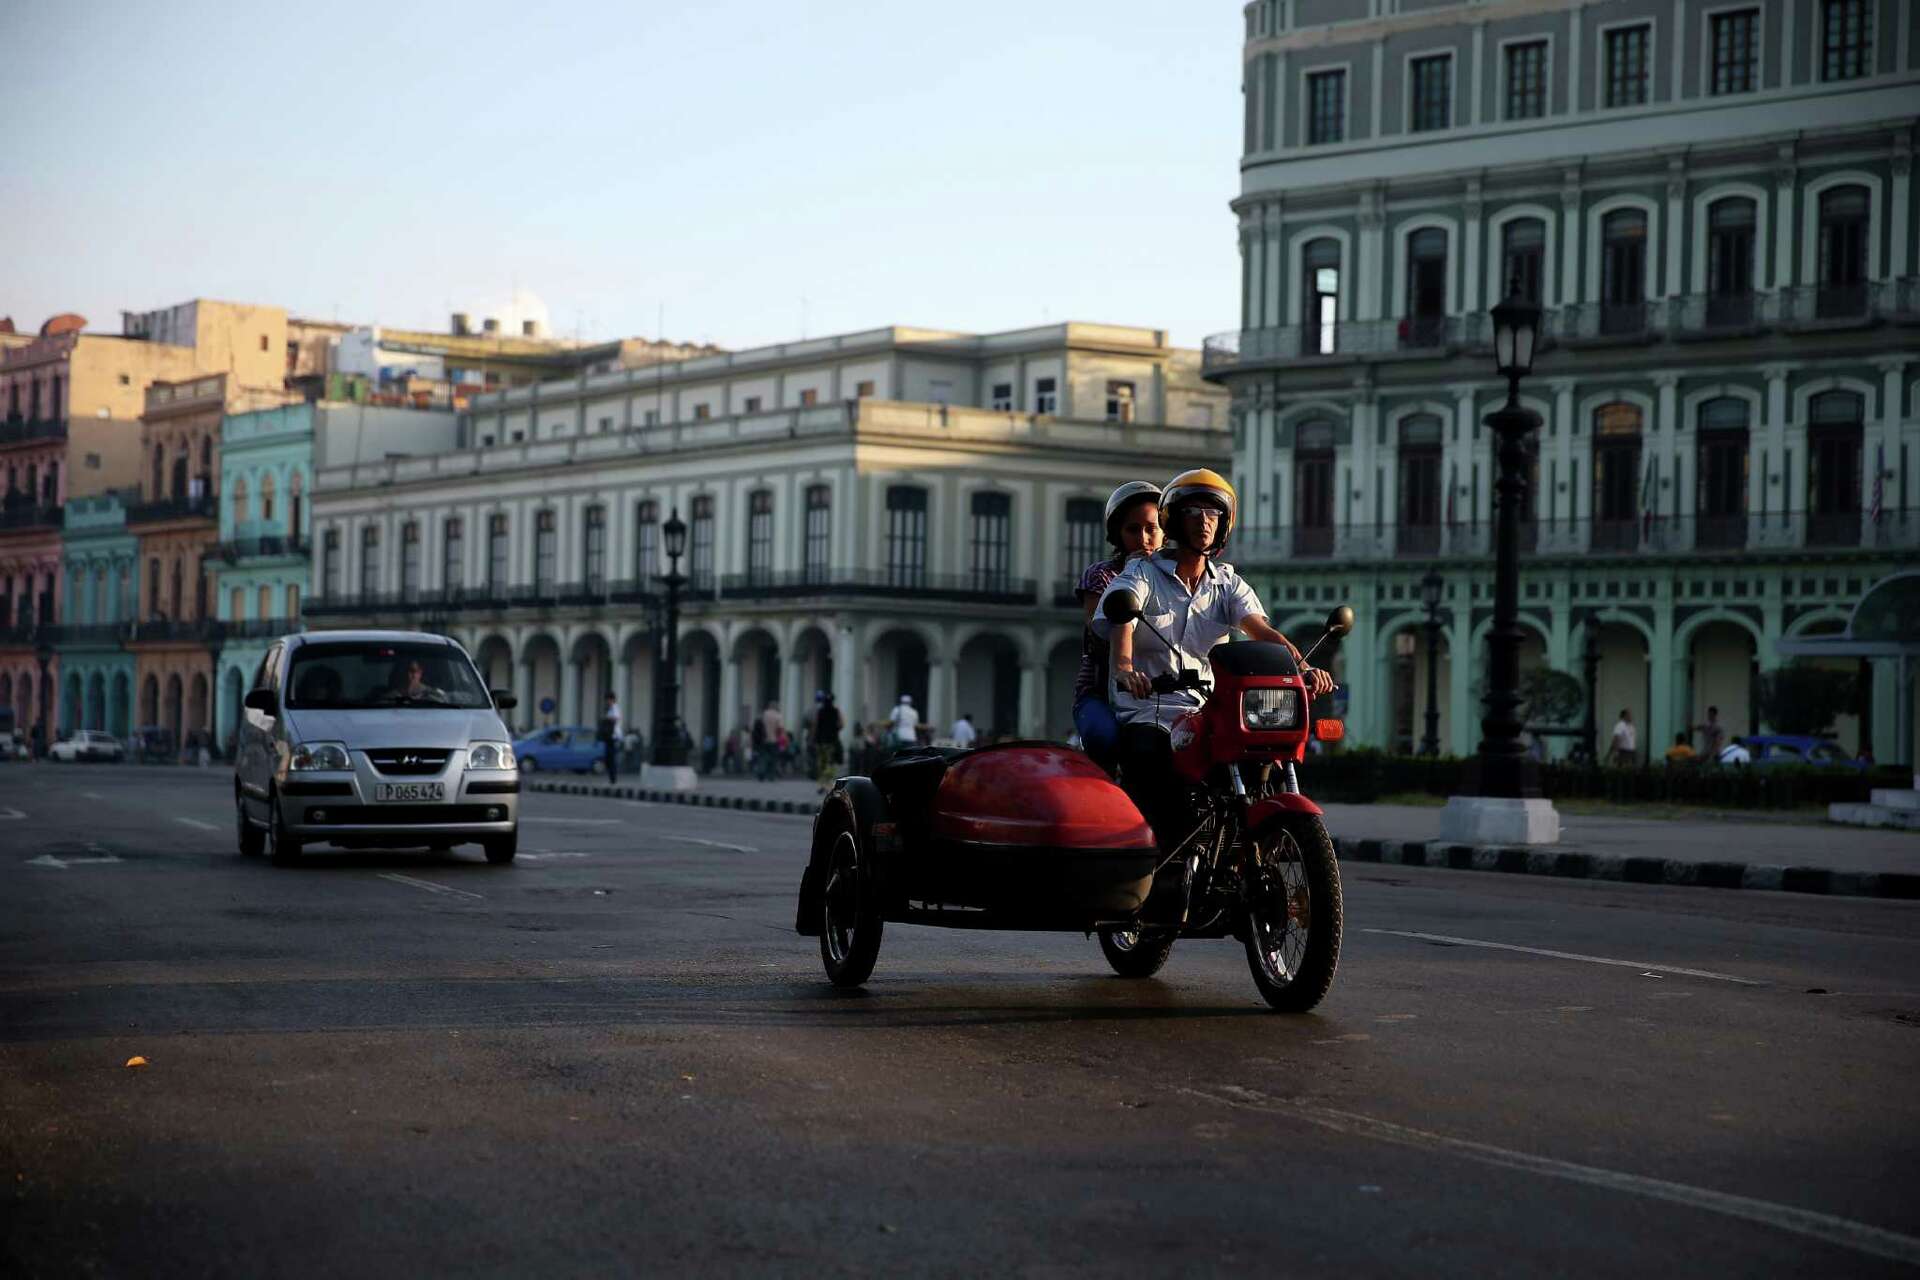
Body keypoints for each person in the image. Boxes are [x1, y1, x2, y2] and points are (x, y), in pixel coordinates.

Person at [1096, 468, 1333, 850]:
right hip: (1150, 707)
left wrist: (1301, 667)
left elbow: (1261, 631)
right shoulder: (1141, 572)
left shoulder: (1226, 582)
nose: (1204, 522)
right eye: (1194, 512)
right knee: (1149, 761)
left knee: (1260, 758)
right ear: (1173, 518)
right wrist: (1125, 670)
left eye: (1213, 514)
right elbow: (1123, 619)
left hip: (1207, 711)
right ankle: (1153, 857)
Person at [1072, 480, 1163, 771]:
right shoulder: (1102, 575)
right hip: (1101, 691)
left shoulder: (1174, 578)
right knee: (1104, 737)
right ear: (1118, 535)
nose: (1144, 538)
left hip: (1161, 694)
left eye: (1152, 528)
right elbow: (1098, 629)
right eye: (1133, 530)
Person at [811, 691, 843, 792]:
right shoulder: (836, 711)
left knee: (822, 763)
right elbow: (842, 724)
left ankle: (822, 784)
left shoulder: (820, 711)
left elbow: (815, 726)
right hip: (832, 741)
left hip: (821, 741)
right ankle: (829, 783)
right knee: (830, 763)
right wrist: (835, 729)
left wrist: (813, 738)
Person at [598, 692, 622, 784]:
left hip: (613, 736)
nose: (607, 702)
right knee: (608, 758)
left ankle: (613, 779)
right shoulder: (611, 709)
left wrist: (606, 719)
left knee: (611, 758)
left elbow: (615, 718)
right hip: (609, 736)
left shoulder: (615, 708)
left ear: (612, 699)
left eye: (608, 700)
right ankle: (612, 778)